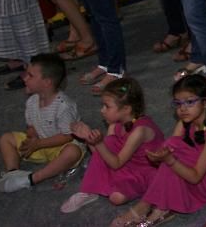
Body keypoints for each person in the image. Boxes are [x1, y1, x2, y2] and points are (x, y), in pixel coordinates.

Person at [113, 75, 206, 227]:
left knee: (174, 152)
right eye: (178, 104)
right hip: (197, 170)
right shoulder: (185, 121)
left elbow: (195, 177)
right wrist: (158, 158)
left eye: (190, 102)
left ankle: (150, 205)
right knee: (172, 147)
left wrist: (169, 159)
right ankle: (158, 204)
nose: (183, 108)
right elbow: (169, 151)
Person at [60, 77, 166, 214]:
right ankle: (89, 190)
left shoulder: (140, 131)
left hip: (142, 170)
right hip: (122, 163)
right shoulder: (115, 124)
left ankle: (104, 184)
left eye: (107, 106)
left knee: (116, 198)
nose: (102, 110)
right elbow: (102, 154)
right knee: (108, 143)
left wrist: (97, 143)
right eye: (103, 105)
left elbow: (116, 163)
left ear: (127, 109)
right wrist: (89, 139)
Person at [0, 53, 85, 193]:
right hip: (40, 144)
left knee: (73, 152)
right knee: (6, 138)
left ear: (47, 82)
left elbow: (67, 136)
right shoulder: (31, 101)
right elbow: (31, 126)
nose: (24, 77)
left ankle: (33, 178)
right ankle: (12, 172)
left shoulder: (63, 106)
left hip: (60, 146)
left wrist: (38, 144)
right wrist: (32, 138)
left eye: (30, 75)